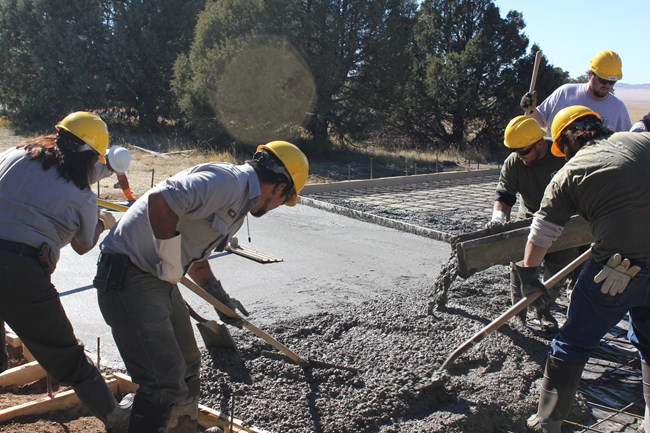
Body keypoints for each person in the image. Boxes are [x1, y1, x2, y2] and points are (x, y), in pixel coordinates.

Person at [93, 140, 309, 433]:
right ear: (280, 188)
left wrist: (220, 298)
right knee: (162, 382)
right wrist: (170, 261)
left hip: (158, 279)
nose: (278, 206)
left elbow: (196, 259)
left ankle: (181, 427)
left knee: (188, 361)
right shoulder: (227, 183)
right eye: (286, 199)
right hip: (129, 276)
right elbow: (160, 199)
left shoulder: (239, 201)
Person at [514, 105, 650, 433]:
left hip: (617, 270)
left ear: (565, 144)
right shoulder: (641, 142)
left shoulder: (569, 173)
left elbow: (541, 235)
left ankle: (546, 422)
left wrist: (530, 277)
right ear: (599, 127)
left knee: (572, 342)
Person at [0, 112, 129, 430]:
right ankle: (116, 418)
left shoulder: (16, 153)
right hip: (19, 271)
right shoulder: (81, 195)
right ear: (93, 157)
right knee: (65, 353)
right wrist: (100, 222)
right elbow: (84, 245)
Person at [486, 115, 577, 332]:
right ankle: (519, 312)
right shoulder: (514, 162)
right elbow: (505, 195)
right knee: (521, 267)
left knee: (557, 269)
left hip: (563, 221)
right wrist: (498, 217)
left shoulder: (562, 158)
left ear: (540, 143)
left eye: (524, 151)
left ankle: (544, 311)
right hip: (528, 219)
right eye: (516, 151)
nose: (520, 156)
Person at [521, 49, 631, 132]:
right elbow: (541, 122)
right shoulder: (565, 93)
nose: (607, 85)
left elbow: (626, 142)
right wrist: (530, 110)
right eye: (602, 80)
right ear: (589, 75)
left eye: (612, 82)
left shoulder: (618, 107)